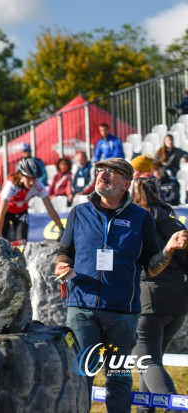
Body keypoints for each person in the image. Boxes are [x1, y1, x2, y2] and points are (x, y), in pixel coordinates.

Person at [54, 158, 188, 413]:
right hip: (81, 308)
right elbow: (64, 250)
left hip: (122, 316)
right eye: (100, 170)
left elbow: (151, 266)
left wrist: (168, 249)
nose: (103, 174)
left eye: (112, 171)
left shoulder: (141, 218)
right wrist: (61, 264)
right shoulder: (79, 213)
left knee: (119, 380)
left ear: (126, 183)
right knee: (82, 378)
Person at [129, 177, 188, 413]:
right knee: (152, 361)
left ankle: (175, 408)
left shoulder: (134, 222)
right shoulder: (176, 224)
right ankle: (146, 411)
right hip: (179, 305)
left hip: (148, 303)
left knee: (146, 361)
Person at [0, 158, 64, 243]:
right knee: (1, 241)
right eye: (28, 178)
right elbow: (1, 212)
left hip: (20, 211)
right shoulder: (11, 185)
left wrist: (61, 228)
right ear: (20, 175)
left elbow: (50, 208)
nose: (31, 182)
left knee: (22, 242)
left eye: (34, 179)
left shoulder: (38, 185)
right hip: (5, 210)